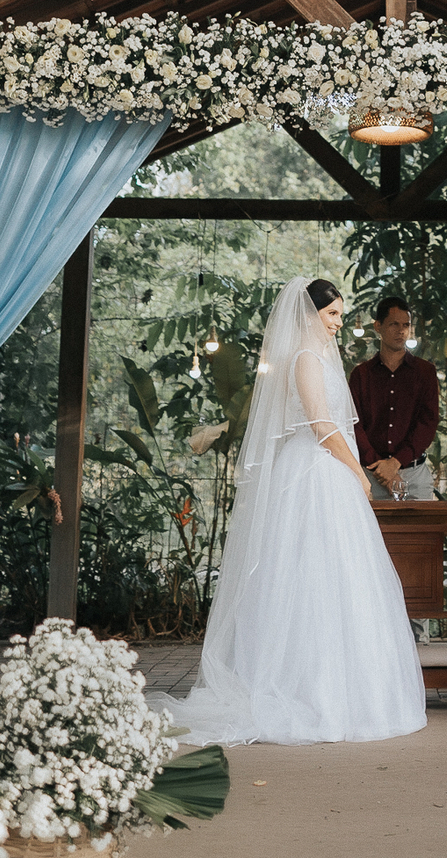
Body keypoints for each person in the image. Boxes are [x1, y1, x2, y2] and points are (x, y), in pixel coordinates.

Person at [151, 277, 426, 745]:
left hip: (328, 471)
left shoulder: (323, 356)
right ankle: (299, 686)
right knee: (304, 574)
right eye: (332, 315)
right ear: (309, 314)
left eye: (340, 314)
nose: (339, 324)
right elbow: (320, 424)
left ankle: (340, 687)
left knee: (337, 578)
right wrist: (359, 474)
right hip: (314, 472)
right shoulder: (303, 358)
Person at [348, 295, 440, 500]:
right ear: (378, 326)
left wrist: (396, 463)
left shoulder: (425, 372)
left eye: (406, 325)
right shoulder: (361, 375)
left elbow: (428, 422)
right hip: (371, 476)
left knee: (423, 532)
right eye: (394, 324)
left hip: (414, 475)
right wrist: (383, 471)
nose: (401, 331)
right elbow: (354, 425)